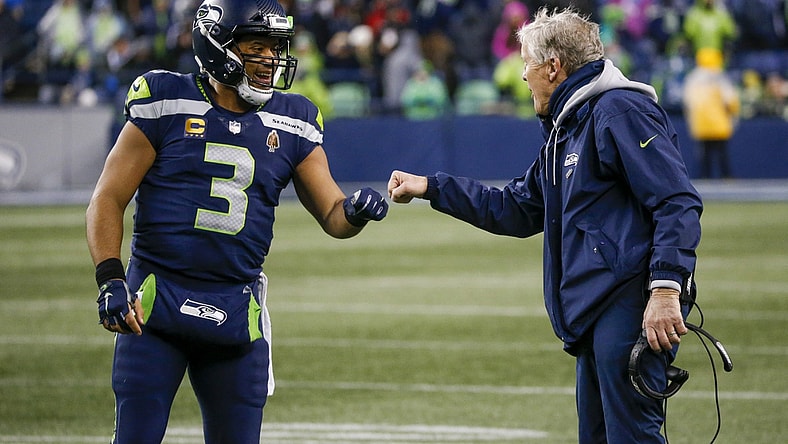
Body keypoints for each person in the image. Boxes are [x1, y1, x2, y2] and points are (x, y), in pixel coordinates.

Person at [388, 7, 702, 443]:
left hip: (628, 304)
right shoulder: (569, 126)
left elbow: (676, 201)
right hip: (596, 310)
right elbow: (514, 207)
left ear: (553, 67)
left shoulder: (619, 111)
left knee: (632, 437)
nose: (523, 76)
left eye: (527, 64)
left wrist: (666, 289)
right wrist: (432, 188)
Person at [85, 1, 388, 443]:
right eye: (256, 47)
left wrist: (355, 212)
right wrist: (110, 278)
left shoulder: (294, 119)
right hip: (153, 302)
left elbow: (332, 214)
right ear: (216, 45)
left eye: (275, 48)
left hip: (235, 309)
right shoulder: (166, 100)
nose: (270, 59)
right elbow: (107, 198)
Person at [682, 47, 740, 178]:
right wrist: (734, 114)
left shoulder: (692, 77)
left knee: (704, 154)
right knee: (722, 153)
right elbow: (730, 99)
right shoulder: (720, 76)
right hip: (719, 122)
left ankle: (704, 179)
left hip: (701, 123)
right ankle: (727, 178)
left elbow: (687, 101)